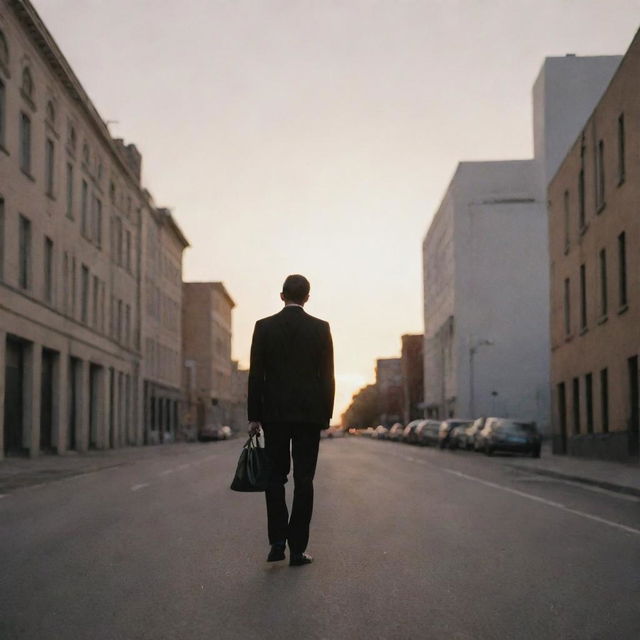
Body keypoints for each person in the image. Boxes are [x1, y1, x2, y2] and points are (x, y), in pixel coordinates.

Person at [247, 274, 335, 567]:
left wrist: (254, 416)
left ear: (281, 295)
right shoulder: (321, 329)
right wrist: (326, 415)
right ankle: (298, 549)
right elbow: (327, 376)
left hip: (274, 415)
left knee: (275, 477)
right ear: (307, 297)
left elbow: (255, 374)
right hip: (309, 416)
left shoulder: (264, 327)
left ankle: (277, 542)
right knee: (304, 480)